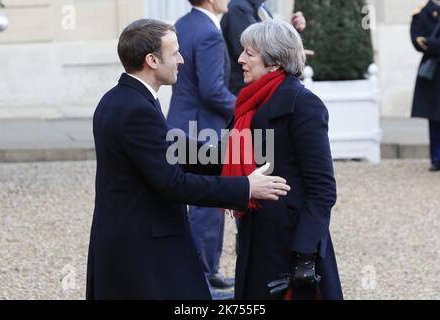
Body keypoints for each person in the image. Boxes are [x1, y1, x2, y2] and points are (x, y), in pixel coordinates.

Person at [86, 18, 290, 300]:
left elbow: (175, 148)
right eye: (175, 53)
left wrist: (241, 154)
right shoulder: (135, 109)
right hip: (141, 249)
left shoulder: (121, 98)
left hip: (133, 239)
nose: (182, 60)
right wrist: (245, 187)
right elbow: (173, 183)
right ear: (152, 60)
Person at [220, 20, 342, 300]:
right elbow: (226, 155)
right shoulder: (249, 103)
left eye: (249, 53)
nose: (240, 59)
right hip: (255, 233)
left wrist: (305, 254)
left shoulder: (303, 105)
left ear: (274, 61)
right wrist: (173, 152)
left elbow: (323, 190)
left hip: (292, 244)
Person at [167, 0, 236, 298]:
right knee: (207, 205)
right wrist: (248, 108)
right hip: (202, 128)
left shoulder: (182, 25)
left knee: (197, 204)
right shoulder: (209, 32)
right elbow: (212, 90)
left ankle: (208, 271)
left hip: (182, 122)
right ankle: (203, 279)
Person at [220, 0, 307, 95]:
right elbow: (252, 50)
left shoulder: (260, 7)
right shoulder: (238, 8)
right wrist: (287, 51)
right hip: (245, 91)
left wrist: (293, 35)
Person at [410, 0, 440, 171]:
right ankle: (439, 157)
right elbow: (419, 41)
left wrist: (434, 44)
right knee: (436, 117)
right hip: (435, 72)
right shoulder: (421, 13)